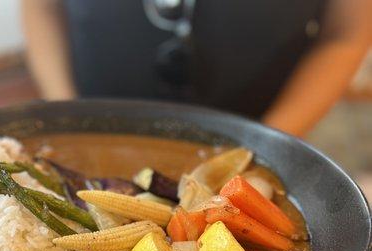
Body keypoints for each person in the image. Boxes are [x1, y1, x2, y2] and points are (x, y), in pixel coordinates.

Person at [22, 0, 371, 137]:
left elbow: (346, 32)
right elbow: (41, 7)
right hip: (90, 124)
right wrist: (64, 111)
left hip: (261, 126)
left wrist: (269, 142)